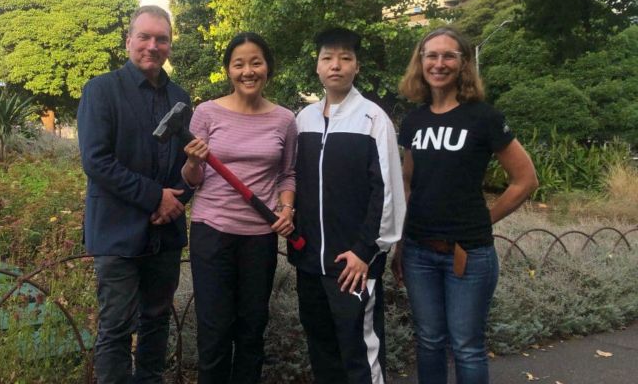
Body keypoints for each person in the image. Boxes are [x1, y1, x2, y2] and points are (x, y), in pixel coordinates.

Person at [392, 27, 538, 384]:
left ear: (463, 64)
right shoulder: (414, 120)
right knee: (428, 341)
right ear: (420, 61)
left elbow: (526, 180)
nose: (438, 63)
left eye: (448, 56)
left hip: (468, 253)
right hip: (418, 251)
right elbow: (408, 182)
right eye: (431, 55)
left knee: (467, 345)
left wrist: (485, 219)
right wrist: (399, 243)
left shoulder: (483, 117)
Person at [77, 5, 193, 384]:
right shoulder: (102, 90)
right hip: (117, 231)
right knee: (115, 326)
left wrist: (175, 201)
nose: (152, 45)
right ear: (128, 41)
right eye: (144, 37)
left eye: (161, 39)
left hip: (165, 233)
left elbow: (187, 164)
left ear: (170, 46)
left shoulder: (181, 97)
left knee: (157, 322)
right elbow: (96, 161)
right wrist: (153, 197)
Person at [289, 27, 406, 384]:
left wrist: (365, 252)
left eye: (345, 58)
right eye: (328, 58)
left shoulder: (374, 120)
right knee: (321, 350)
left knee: (360, 354)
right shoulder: (303, 119)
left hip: (352, 264)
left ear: (357, 66)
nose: (335, 65)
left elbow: (387, 193)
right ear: (317, 67)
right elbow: (292, 182)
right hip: (310, 263)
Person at [181, 32, 297, 384]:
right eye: (239, 64)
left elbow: (287, 174)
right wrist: (192, 161)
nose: (248, 71)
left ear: (268, 68)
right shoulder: (206, 113)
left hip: (259, 237)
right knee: (214, 330)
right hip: (211, 232)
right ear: (229, 71)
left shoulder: (284, 120)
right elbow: (191, 179)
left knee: (251, 328)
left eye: (256, 62)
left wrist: (287, 209)